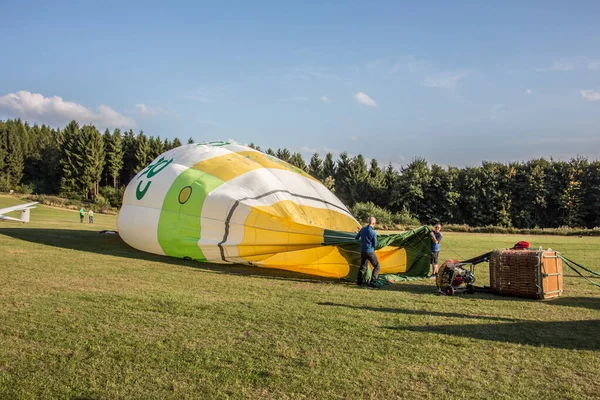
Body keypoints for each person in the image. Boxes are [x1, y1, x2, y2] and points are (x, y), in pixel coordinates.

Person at [355, 216, 381, 288]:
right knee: (377, 266)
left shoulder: (362, 229)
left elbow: (356, 237)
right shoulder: (373, 233)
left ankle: (359, 281)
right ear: (373, 223)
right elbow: (375, 245)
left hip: (362, 251)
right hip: (370, 251)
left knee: (363, 266)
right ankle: (372, 282)